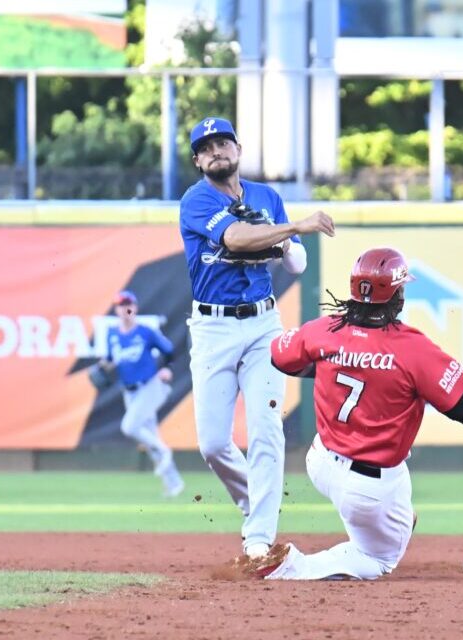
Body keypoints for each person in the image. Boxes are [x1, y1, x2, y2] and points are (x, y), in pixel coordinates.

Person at [258, 247, 463, 580]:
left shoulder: (324, 330)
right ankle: (293, 567)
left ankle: (397, 516)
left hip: (320, 461)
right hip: (367, 485)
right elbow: (462, 408)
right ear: (395, 295)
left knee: (397, 496)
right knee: (378, 560)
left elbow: (280, 359)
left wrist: (332, 365)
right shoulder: (411, 347)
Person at [179, 116, 336, 560]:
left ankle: (259, 540)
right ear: (197, 160)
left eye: (222, 142)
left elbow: (296, 266)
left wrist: (288, 242)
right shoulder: (196, 200)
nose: (216, 151)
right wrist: (293, 228)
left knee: (267, 429)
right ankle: (256, 506)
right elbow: (236, 237)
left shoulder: (267, 197)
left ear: (238, 149)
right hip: (213, 327)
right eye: (206, 147)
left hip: (263, 325)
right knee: (212, 443)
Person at [99, 290, 184, 498]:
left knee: (129, 427)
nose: (125, 309)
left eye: (128, 304)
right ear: (116, 309)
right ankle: (174, 484)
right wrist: (103, 367)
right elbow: (110, 359)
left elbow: (169, 351)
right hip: (130, 392)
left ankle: (165, 451)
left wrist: (168, 368)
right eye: (120, 305)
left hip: (150, 386)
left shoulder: (145, 332)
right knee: (150, 435)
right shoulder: (112, 334)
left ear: (135, 308)